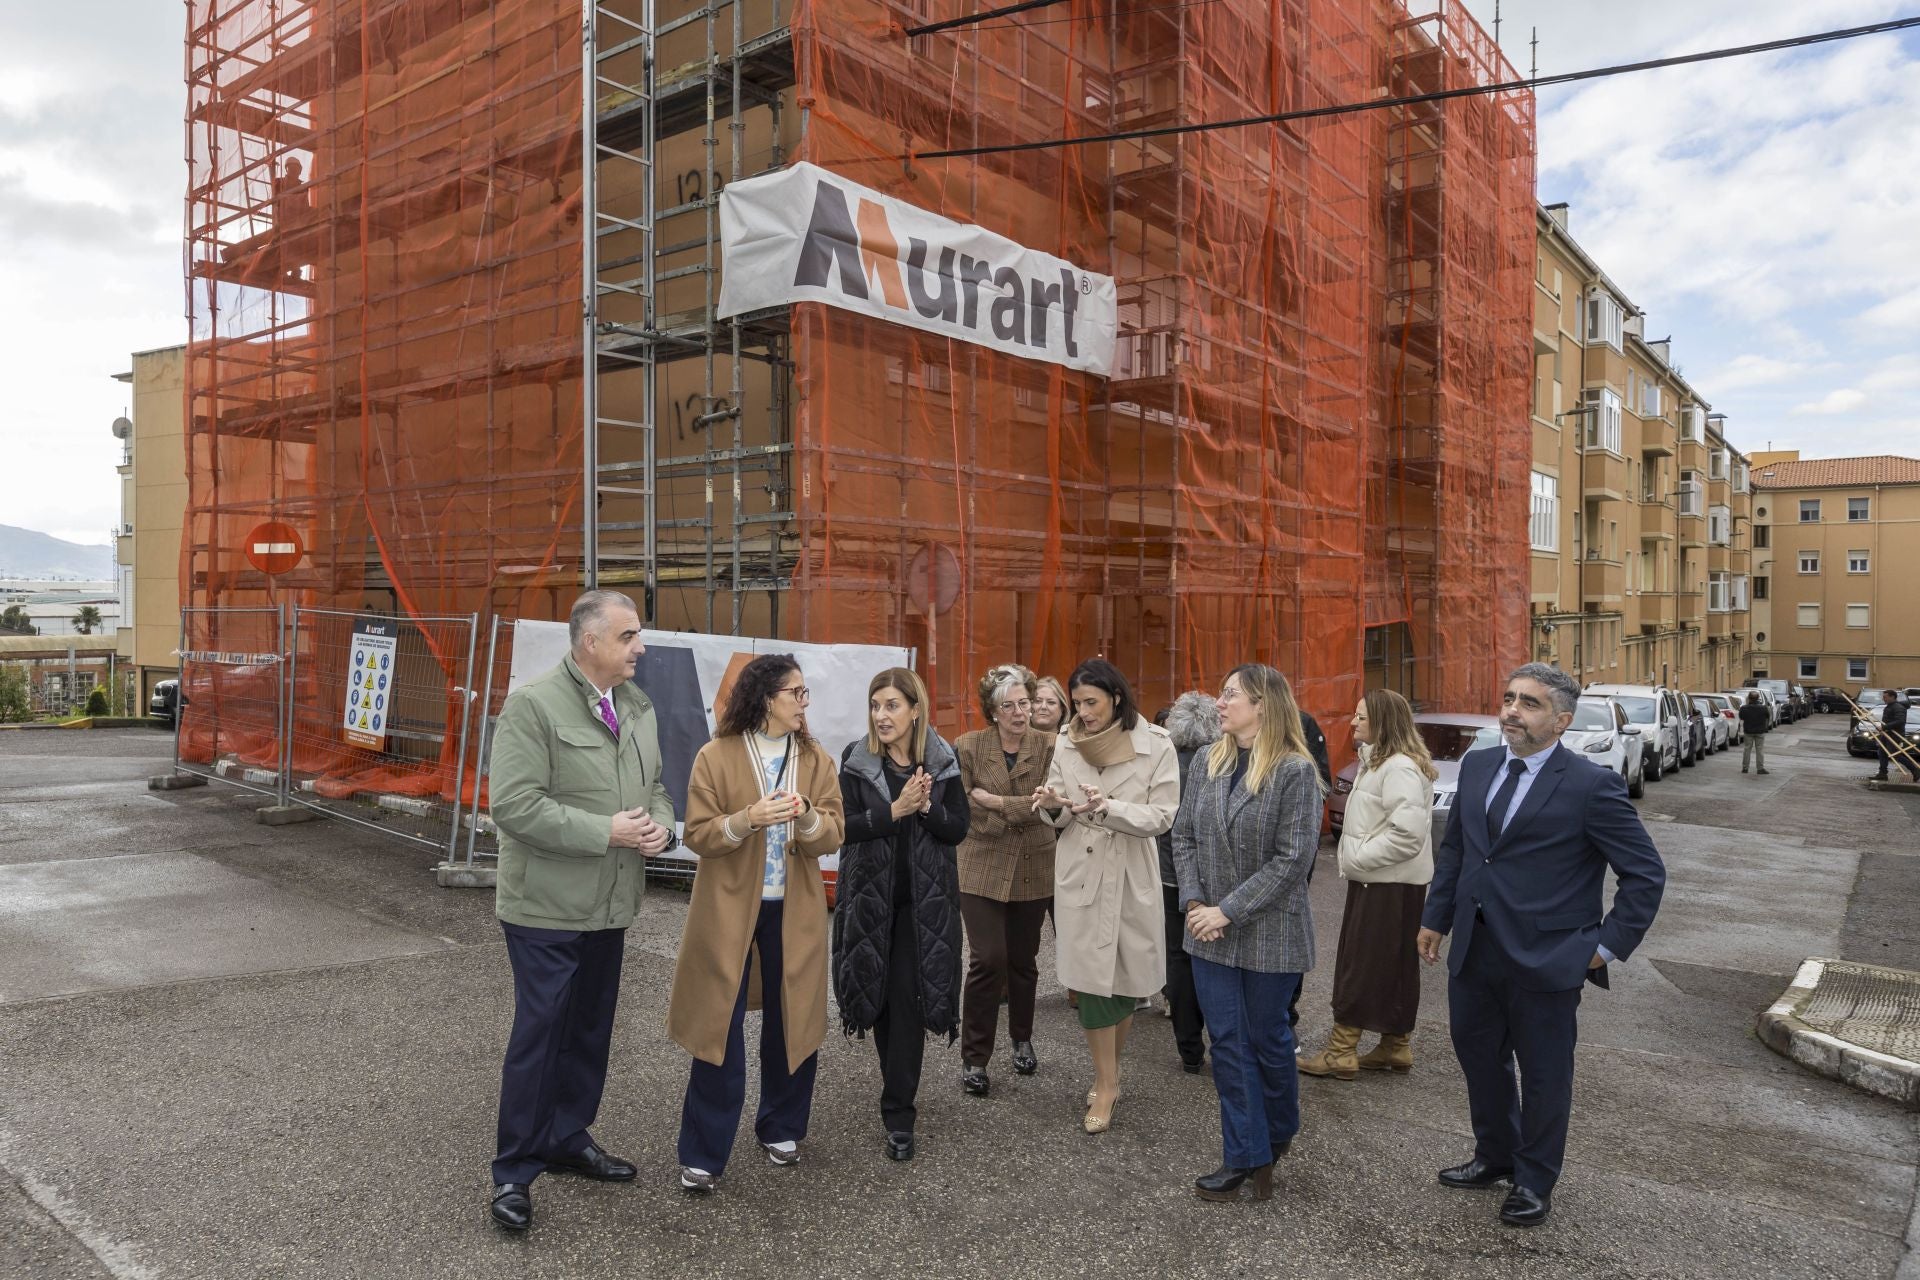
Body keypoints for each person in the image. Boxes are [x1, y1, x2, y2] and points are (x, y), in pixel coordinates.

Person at [1417, 662, 1666, 1228]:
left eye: (1528, 703)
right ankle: (1494, 1155)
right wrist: (1436, 917)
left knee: (1545, 1075)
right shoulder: (1479, 767)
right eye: (1508, 698)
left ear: (1560, 721)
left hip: (1549, 958)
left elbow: (1645, 874)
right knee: (1480, 1061)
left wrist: (1604, 948)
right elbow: (1458, 850)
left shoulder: (1591, 785)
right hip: (1475, 951)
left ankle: (1533, 1180)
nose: (1511, 710)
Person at [485, 590, 677, 1232]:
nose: (640, 648)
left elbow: (653, 790)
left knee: (589, 1032)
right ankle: (514, 1170)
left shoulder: (637, 707)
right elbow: (513, 806)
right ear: (589, 642)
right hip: (545, 908)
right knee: (541, 1038)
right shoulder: (533, 704)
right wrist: (607, 832)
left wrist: (660, 829)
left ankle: (567, 1138)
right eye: (629, 637)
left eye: (638, 636)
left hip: (611, 905)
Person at [667, 655, 846, 1195]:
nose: (804, 702)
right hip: (727, 910)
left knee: (793, 1019)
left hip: (796, 909)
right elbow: (698, 834)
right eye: (796, 692)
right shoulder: (715, 755)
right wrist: (748, 819)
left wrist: (808, 818)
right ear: (767, 697)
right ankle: (702, 1152)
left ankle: (783, 1126)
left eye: (805, 692)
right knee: (718, 1026)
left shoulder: (814, 758)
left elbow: (834, 831)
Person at [1171, 664, 1324, 1204]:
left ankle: (1278, 1131)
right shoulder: (1209, 762)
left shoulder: (1294, 771)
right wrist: (1193, 902)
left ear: (1263, 704)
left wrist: (1227, 910)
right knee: (1229, 1046)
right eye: (1223, 692)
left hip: (1269, 933)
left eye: (1230, 693)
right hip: (1207, 932)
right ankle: (1245, 1155)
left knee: (1269, 1041)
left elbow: (1293, 860)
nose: (1220, 701)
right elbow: (1183, 835)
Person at [1032, 657, 1178, 1134]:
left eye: (1091, 702)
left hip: (1131, 872)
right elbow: (1056, 813)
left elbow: (1163, 816)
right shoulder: (1066, 742)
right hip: (1083, 871)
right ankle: (1107, 1080)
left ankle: (1108, 1074)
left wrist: (1109, 807)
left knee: (1126, 982)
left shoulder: (1157, 744)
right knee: (1093, 985)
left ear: (1116, 697)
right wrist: (1051, 808)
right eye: (1076, 703)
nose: (1083, 712)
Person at [832, 668, 968, 1161]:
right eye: (875, 705)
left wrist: (925, 807)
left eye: (892, 705)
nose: (882, 715)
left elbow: (957, 831)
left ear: (915, 710)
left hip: (921, 910)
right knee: (881, 1002)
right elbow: (841, 829)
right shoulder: (856, 761)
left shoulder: (943, 761)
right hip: (869, 904)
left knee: (909, 1005)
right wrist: (893, 810)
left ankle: (899, 1114)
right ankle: (895, 1089)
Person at [1299, 689, 1435, 1080]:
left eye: (1360, 717)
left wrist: (1359, 857)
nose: (1352, 723)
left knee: (1359, 965)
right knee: (1391, 966)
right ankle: (1396, 1045)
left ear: (1382, 722)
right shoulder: (1386, 763)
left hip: (1384, 883)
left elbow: (1407, 834)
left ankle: (1342, 1051)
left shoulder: (1397, 768)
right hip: (1391, 883)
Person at [953, 664, 1057, 1096]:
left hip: (1034, 865)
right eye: (1010, 705)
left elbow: (1046, 806)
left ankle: (1021, 1037)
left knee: (1023, 960)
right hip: (979, 863)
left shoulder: (1050, 746)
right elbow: (965, 810)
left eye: (1026, 702)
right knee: (987, 959)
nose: (1020, 711)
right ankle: (975, 1057)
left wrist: (995, 801)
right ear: (993, 712)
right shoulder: (968, 746)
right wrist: (1016, 808)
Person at [1157, 691, 1221, 1072]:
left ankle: (1189, 1049)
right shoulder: (1221, 765)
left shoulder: (1164, 764)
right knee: (1211, 957)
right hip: (1209, 879)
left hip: (1167, 875)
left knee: (1177, 959)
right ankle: (1221, 1040)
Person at [1871, 689, 1920, 783]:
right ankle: (1882, 774)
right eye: (1883, 697)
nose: (1883, 699)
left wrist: (1885, 727)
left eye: (1885, 697)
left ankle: (1915, 770)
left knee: (1895, 754)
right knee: (1882, 752)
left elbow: (1900, 721)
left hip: (1895, 735)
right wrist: (1883, 728)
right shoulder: (1889, 706)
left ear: (1892, 697)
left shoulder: (1898, 707)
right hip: (1887, 733)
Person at [1738, 691, 1771, 775]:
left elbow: (1741, 717)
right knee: (1759, 750)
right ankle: (1760, 768)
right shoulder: (1763, 708)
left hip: (1748, 731)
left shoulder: (1744, 708)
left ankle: (1745, 768)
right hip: (1760, 731)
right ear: (1758, 698)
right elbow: (1768, 716)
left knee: (1747, 749)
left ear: (1749, 698)